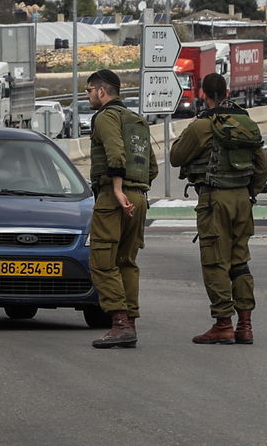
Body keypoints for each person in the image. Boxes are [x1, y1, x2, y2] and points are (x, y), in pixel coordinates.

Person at [169, 72, 267, 345]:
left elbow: (176, 157)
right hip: (242, 202)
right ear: (226, 92)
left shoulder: (203, 126)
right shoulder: (246, 122)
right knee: (240, 262)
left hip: (215, 200)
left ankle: (223, 323)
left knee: (215, 261)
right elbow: (262, 170)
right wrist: (248, 193)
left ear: (204, 95)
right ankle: (245, 325)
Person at [85, 69, 159, 348]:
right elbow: (151, 165)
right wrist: (135, 189)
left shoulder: (106, 117)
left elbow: (115, 152)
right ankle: (130, 322)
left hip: (113, 197)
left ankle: (119, 323)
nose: (89, 96)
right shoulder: (137, 120)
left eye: (90, 91)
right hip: (139, 196)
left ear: (102, 91)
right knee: (127, 262)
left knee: (103, 262)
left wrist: (117, 189)